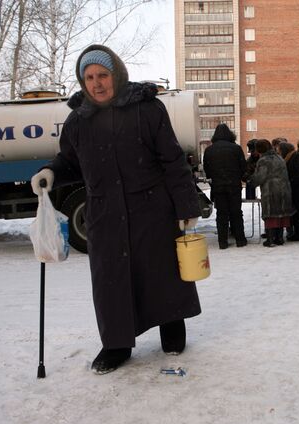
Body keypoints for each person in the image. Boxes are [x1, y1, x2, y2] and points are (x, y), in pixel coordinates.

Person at [30, 45, 202, 374]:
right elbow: (68, 160)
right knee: (111, 279)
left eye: (102, 75)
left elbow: (172, 160)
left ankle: (172, 330)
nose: (96, 83)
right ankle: (117, 344)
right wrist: (51, 172)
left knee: (160, 272)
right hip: (105, 212)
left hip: (151, 208)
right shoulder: (78, 120)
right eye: (89, 77)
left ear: (117, 75)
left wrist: (185, 204)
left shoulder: (147, 109)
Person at [203, 123, 248, 249]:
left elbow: (207, 170)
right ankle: (240, 240)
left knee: (222, 214)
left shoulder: (209, 150)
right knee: (236, 213)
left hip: (218, 186)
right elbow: (243, 167)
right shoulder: (236, 148)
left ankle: (222, 242)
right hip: (234, 186)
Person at [251, 139, 295, 247]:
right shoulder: (279, 158)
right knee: (281, 214)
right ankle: (279, 238)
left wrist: (251, 180)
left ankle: (270, 239)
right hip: (284, 189)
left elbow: (260, 177)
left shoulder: (264, 160)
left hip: (270, 190)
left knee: (270, 214)